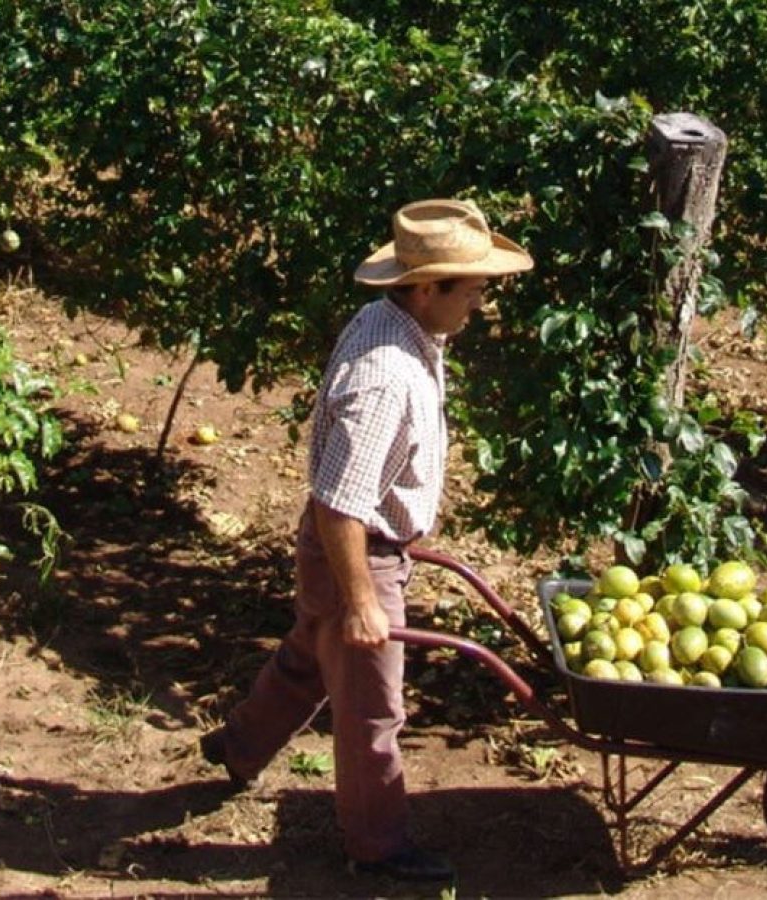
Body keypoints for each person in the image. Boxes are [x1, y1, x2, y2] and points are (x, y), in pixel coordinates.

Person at [198, 198, 533, 882]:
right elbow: (341, 502)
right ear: (426, 286)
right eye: (470, 291)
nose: (479, 304)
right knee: (372, 708)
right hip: (356, 550)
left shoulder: (401, 325)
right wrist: (362, 601)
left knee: (309, 659)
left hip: (357, 546)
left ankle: (238, 748)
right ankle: (377, 848)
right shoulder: (385, 374)